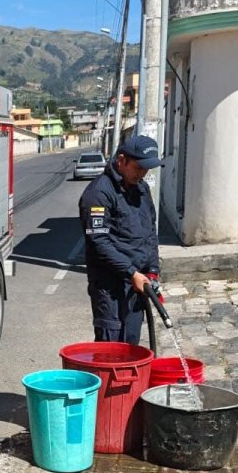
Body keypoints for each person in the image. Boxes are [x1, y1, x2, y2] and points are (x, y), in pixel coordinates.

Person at [78, 135, 162, 345]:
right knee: (112, 346)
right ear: (122, 160)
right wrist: (131, 272)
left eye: (146, 169)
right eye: (138, 167)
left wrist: (152, 270)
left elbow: (150, 231)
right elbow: (98, 242)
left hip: (138, 282)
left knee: (132, 342)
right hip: (110, 285)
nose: (142, 173)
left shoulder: (142, 189)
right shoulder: (99, 193)